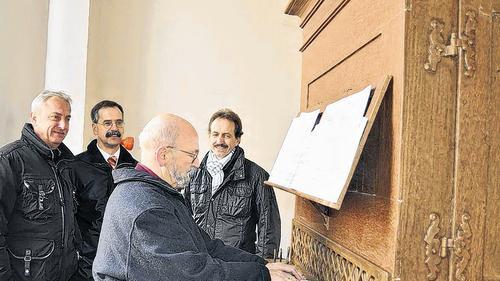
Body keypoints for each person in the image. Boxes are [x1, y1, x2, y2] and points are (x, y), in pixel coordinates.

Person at [93, 113, 304, 281]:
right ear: (164, 155)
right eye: (192, 155)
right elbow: (192, 274)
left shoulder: (160, 194)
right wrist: (262, 275)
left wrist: (262, 264)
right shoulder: (146, 206)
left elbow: (207, 246)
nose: (196, 164)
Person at [0, 90, 80, 281]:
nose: (64, 125)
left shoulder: (67, 164)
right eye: (56, 117)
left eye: (68, 118)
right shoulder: (10, 160)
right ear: (34, 118)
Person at [184, 109, 280, 258]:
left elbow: (268, 227)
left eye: (227, 136)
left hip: (237, 264)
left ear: (238, 139)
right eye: (215, 134)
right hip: (202, 262)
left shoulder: (257, 176)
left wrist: (264, 266)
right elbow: (185, 218)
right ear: (209, 136)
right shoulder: (194, 173)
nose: (219, 141)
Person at [72, 100, 138, 280]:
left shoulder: (136, 169)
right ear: (95, 128)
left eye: (119, 122)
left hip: (124, 264)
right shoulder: (76, 166)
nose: (114, 128)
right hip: (86, 265)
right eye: (107, 123)